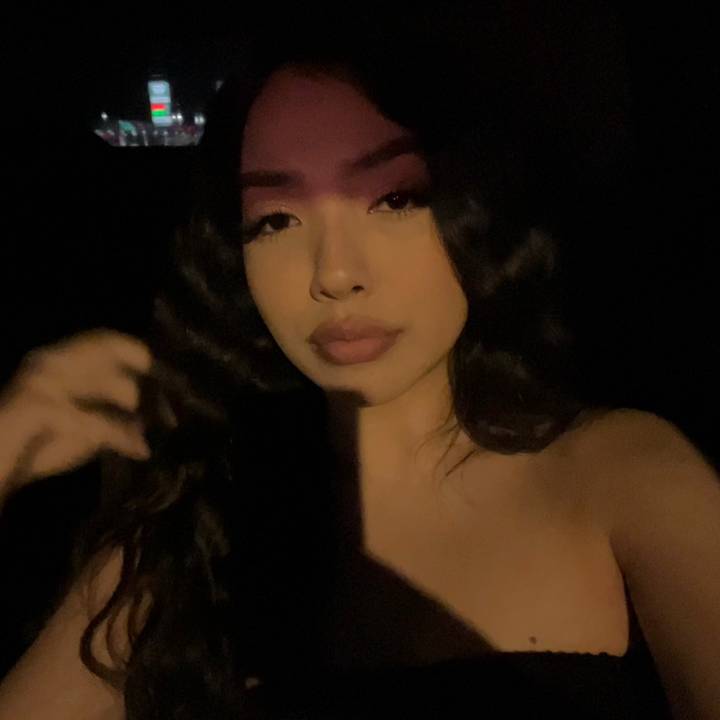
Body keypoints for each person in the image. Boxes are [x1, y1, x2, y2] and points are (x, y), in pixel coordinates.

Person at [0, 29, 719, 720]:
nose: (335, 274)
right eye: (276, 219)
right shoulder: (193, 533)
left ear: (477, 209)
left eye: (395, 200)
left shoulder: (623, 476)